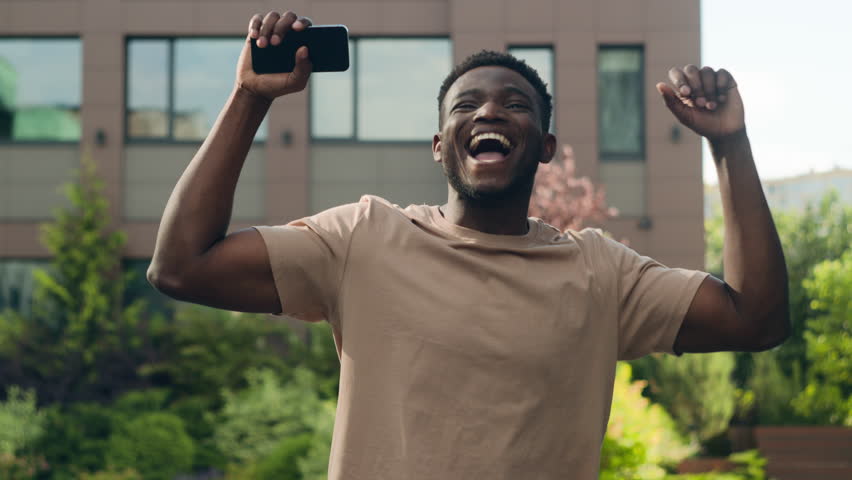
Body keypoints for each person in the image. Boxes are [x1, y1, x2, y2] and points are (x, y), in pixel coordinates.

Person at [147, 10, 790, 480]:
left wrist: (729, 144)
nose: (487, 113)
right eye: (465, 106)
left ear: (542, 146)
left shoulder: (601, 273)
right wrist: (248, 98)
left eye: (514, 104)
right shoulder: (362, 240)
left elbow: (757, 317)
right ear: (439, 145)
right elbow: (181, 266)